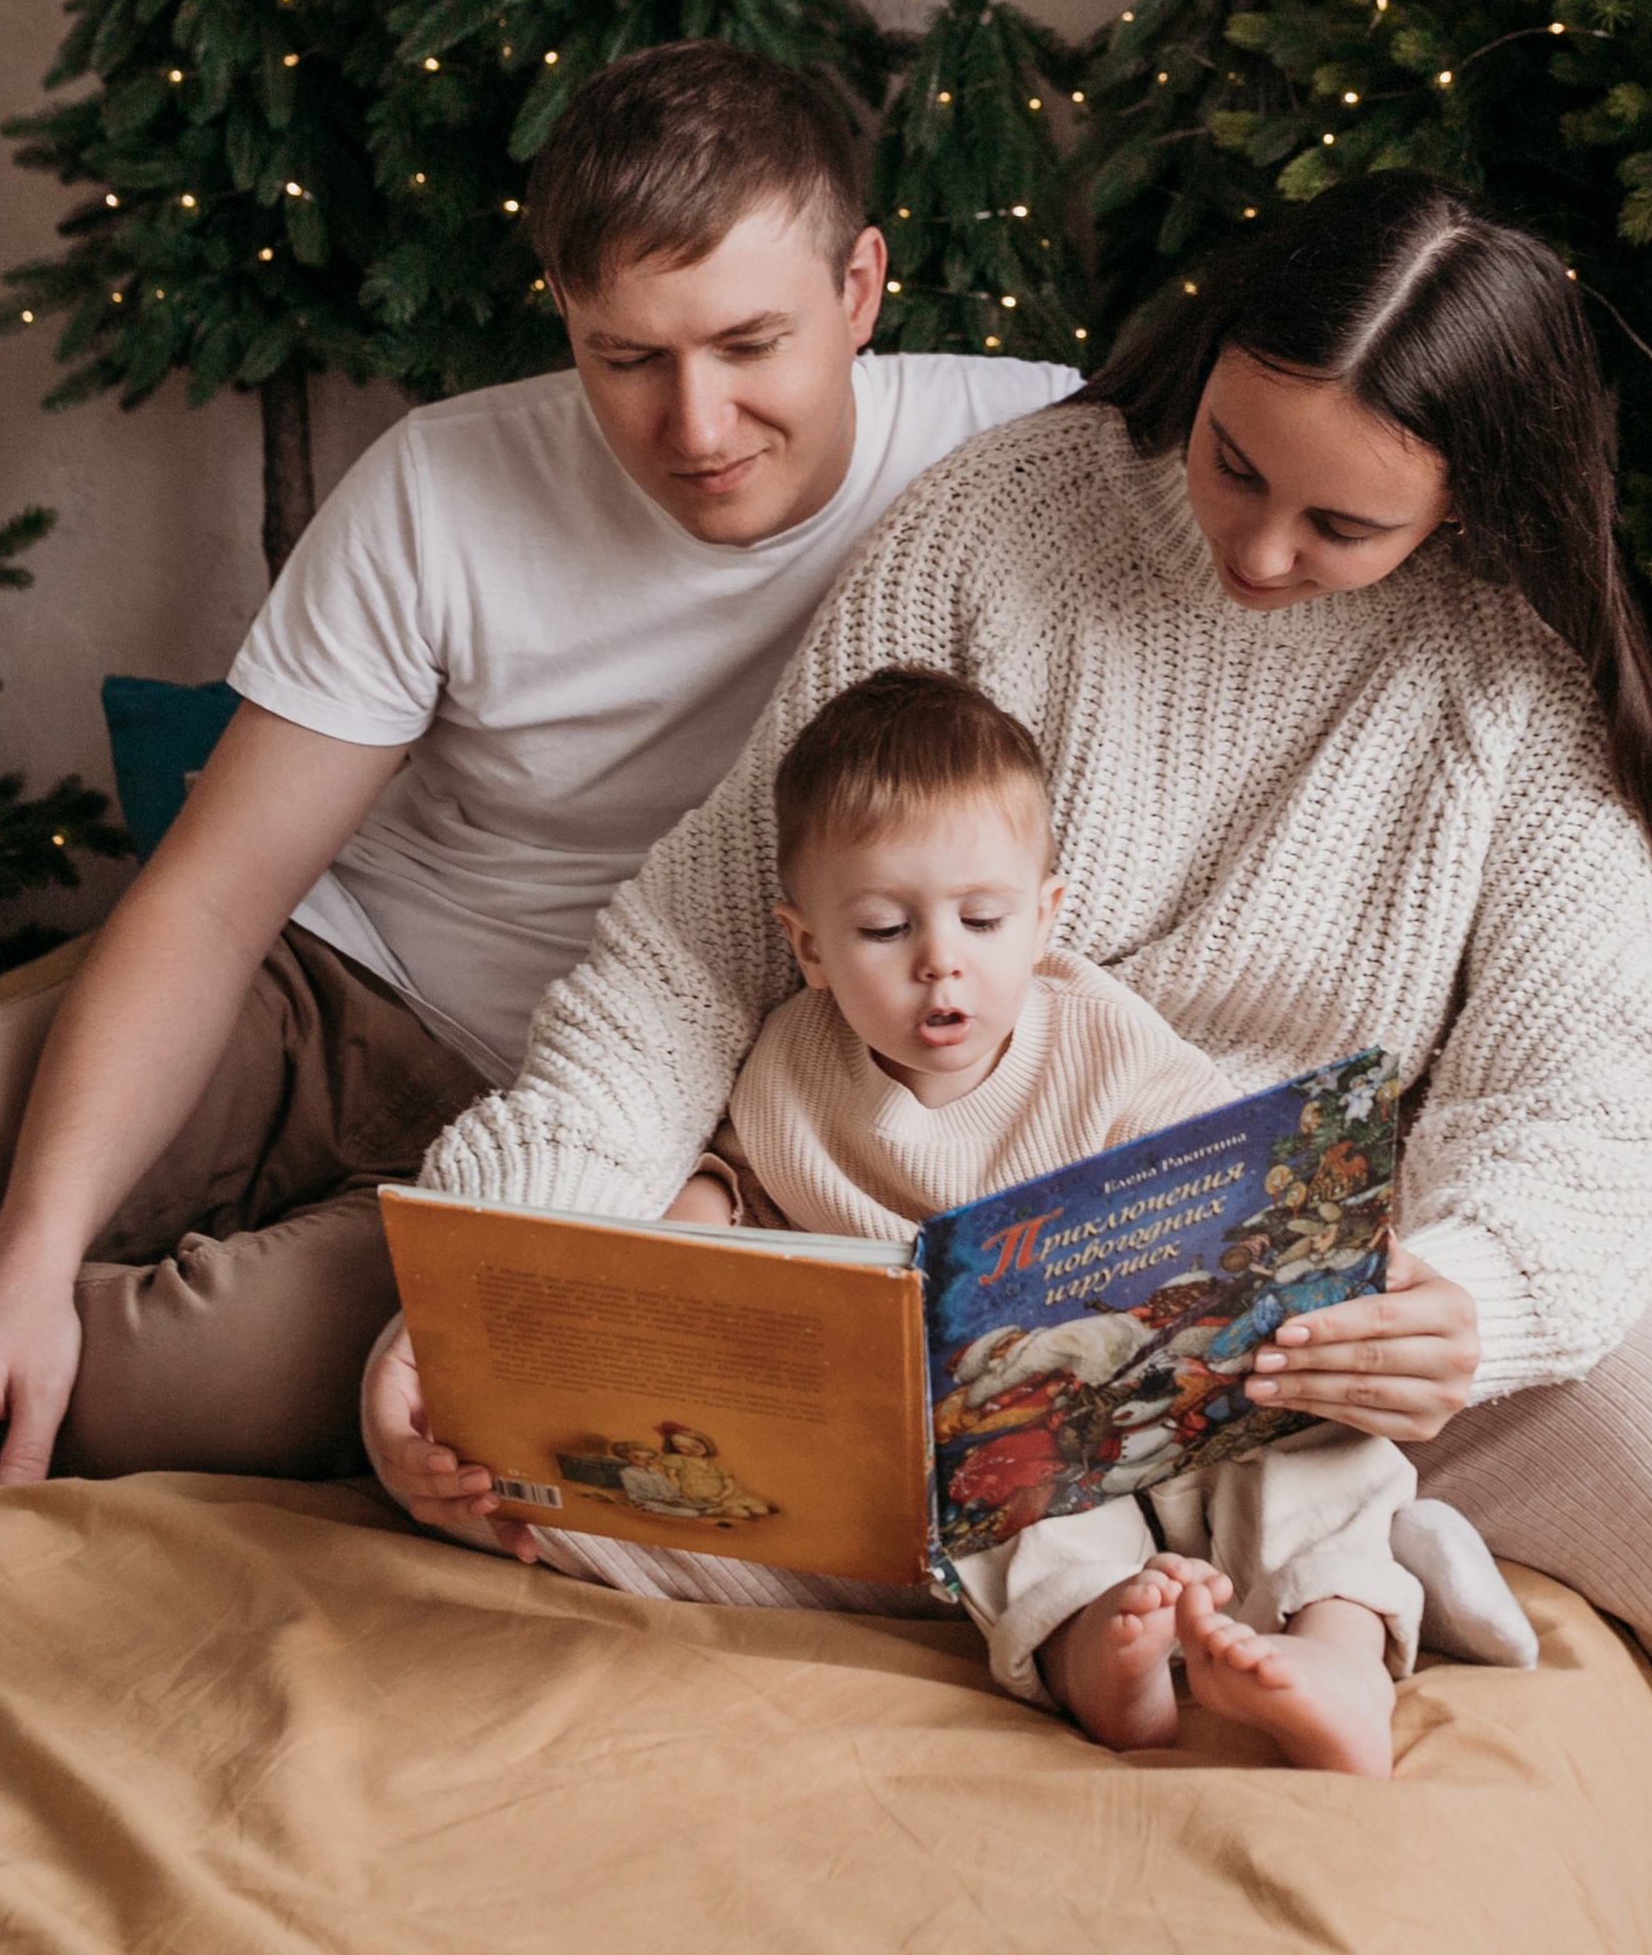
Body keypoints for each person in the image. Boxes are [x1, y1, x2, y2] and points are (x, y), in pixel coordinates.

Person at [368, 175, 1652, 1955]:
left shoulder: (1511, 666)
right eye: (1235, 466)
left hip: (1335, 1330)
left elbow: (1598, 1095)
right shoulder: (1001, 523)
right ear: (1208, 359)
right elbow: (701, 940)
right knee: (523, 1458)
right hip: (944, 1279)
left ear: (1468, 500)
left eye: (1343, 525)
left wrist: (1467, 1292)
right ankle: (1177, 1607)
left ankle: (1238, 1589)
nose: (1257, 551)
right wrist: (496, 1292)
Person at [0, 44, 1075, 1486]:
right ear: (567, 320)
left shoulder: (1032, 455)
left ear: (859, 291)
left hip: (578, 1134)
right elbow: (214, 901)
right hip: (325, 989)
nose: (695, 426)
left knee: (165, 1384)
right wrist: (26, 1256)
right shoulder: (443, 485)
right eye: (628, 358)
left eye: (750, 345)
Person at [393, 663, 1462, 1770]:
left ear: (1044, 917)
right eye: (883, 930)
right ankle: (1097, 1643)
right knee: (987, 1493)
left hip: (1169, 1378)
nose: (939, 961)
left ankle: (1335, 1648)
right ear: (806, 946)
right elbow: (745, 1188)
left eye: (983, 918)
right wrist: (695, 1222)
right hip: (1000, 1429)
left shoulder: (1101, 1040)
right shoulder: (790, 1072)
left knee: (1314, 1434)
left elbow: (1224, 1173)